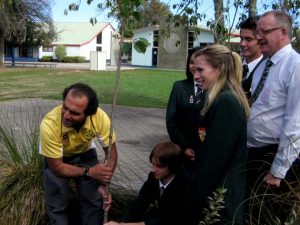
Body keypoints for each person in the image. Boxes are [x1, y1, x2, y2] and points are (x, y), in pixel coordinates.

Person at [183, 44, 250, 225]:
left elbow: (213, 162)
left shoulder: (226, 102)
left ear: (218, 69)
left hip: (219, 205)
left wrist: (192, 202)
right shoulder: (217, 98)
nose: (195, 76)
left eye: (200, 70)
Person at [246, 10, 300, 223]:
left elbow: (296, 122)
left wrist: (278, 171)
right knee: (251, 215)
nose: (258, 36)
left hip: (276, 162)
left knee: (269, 218)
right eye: (257, 31)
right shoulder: (263, 65)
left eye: (264, 31)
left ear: (283, 33)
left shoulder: (295, 66)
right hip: (254, 156)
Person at [39, 83, 117, 225]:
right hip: (58, 159)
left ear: (89, 113)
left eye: (74, 113)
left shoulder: (99, 117)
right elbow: (57, 167)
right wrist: (89, 172)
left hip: (85, 153)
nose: (66, 115)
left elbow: (111, 153)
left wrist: (104, 184)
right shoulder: (49, 124)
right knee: (57, 207)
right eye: (65, 108)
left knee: (94, 202)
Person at [104, 141, 190, 225]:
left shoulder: (183, 184)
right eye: (153, 164)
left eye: (159, 166)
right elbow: (141, 202)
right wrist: (123, 222)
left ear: (172, 166)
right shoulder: (154, 176)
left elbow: (166, 220)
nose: (153, 170)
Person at [166, 46, 204, 174]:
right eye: (191, 62)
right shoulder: (179, 87)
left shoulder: (213, 90)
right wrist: (184, 147)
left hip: (206, 153)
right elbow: (171, 122)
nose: (194, 66)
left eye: (199, 64)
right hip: (182, 152)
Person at [239, 16, 264, 99]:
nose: (242, 44)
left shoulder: (267, 70)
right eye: (241, 39)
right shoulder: (233, 66)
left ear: (261, 41)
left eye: (248, 39)